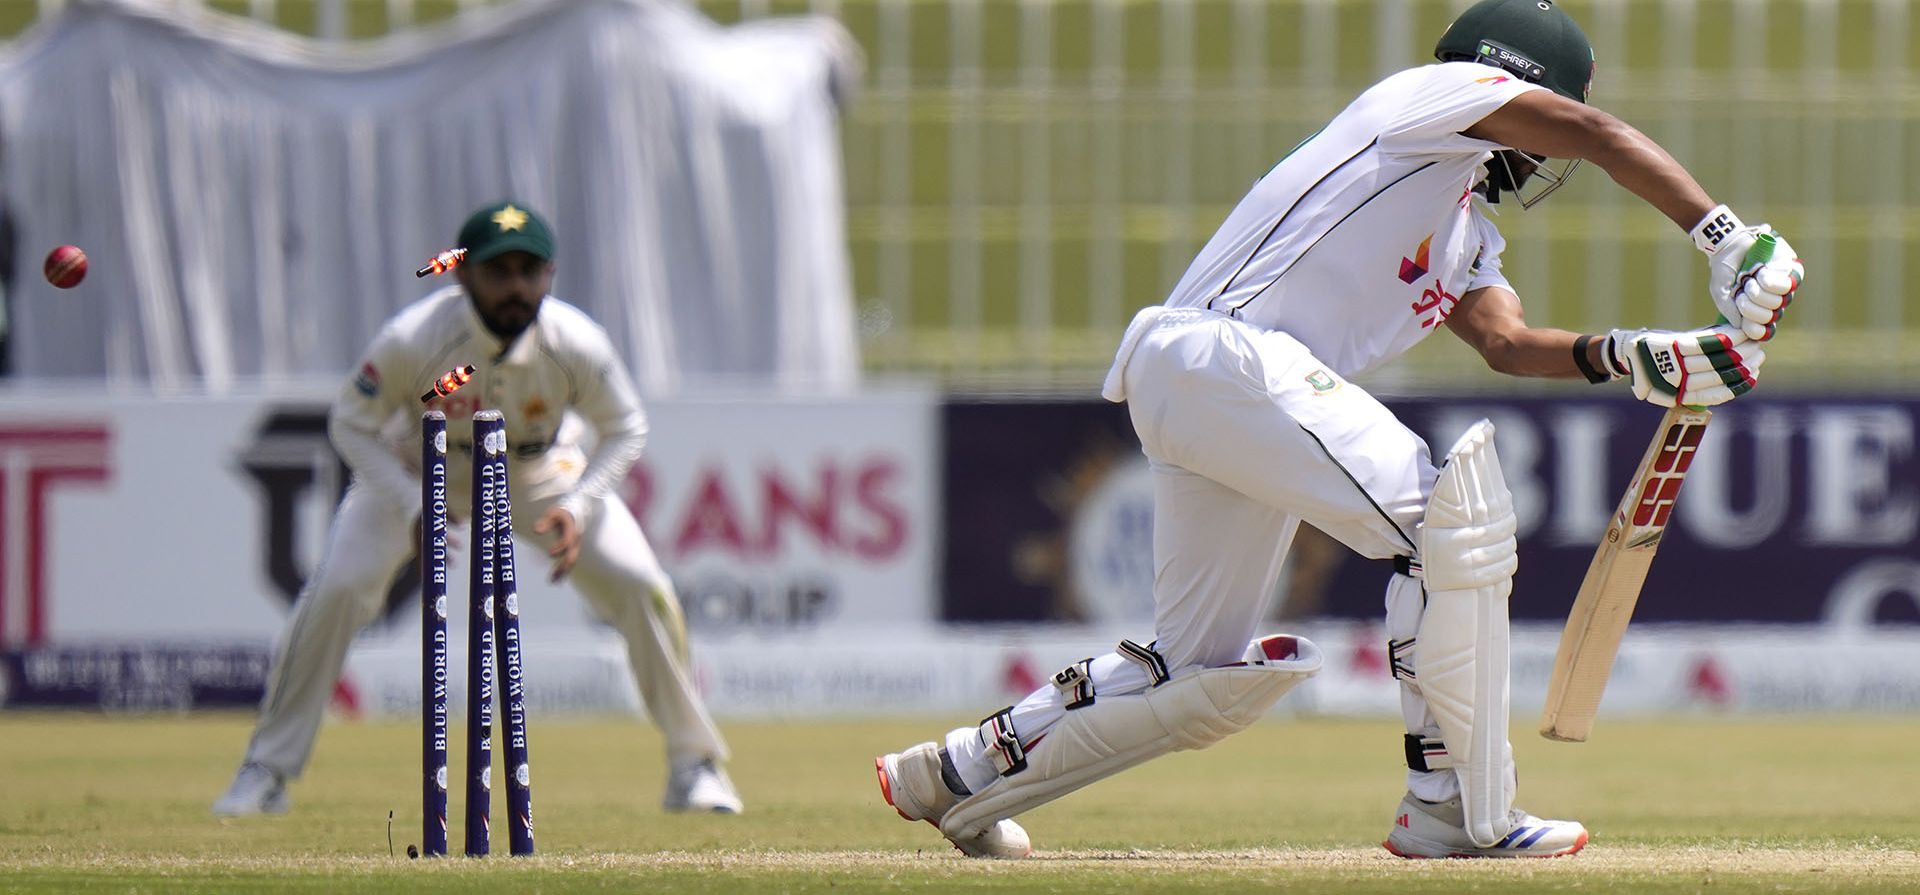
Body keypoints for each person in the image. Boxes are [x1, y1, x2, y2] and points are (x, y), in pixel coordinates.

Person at [874, 0, 1802, 860]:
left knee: (1198, 675)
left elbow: (1509, 343)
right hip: (1229, 358)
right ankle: (1450, 805)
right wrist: (1726, 236)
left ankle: (956, 773)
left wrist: (1640, 355)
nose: (1545, 145)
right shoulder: (1434, 96)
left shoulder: (1462, 227)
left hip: (1210, 385)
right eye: (1548, 105)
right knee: (1448, 523)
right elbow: (1595, 136)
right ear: (1515, 78)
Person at [216, 201, 742, 817]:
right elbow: (350, 424)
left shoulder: (575, 342)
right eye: (500, 271)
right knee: (337, 589)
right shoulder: (414, 339)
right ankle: (266, 771)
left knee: (641, 586)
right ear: (462, 274)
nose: (516, 285)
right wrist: (414, 505)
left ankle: (694, 767)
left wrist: (579, 503)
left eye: (530, 270)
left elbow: (626, 428)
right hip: (420, 468)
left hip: (541, 473)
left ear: (549, 274)